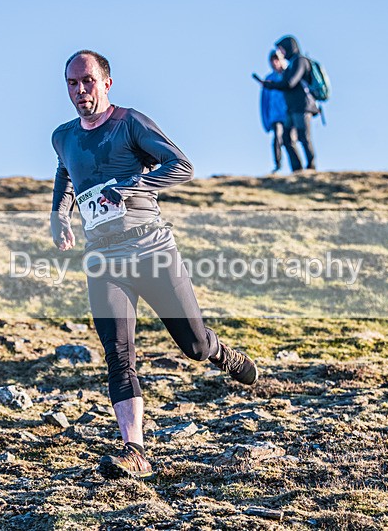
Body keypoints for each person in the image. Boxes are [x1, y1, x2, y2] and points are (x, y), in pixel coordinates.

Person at [50, 50, 259, 479]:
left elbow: (182, 166)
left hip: (150, 249)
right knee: (118, 355)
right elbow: (65, 172)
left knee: (194, 346)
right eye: (72, 83)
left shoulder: (130, 123)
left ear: (106, 83)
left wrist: (133, 184)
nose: (80, 90)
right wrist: (59, 214)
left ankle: (220, 352)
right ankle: (136, 451)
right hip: (103, 259)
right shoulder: (63, 136)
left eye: (88, 81)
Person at [263, 35, 319, 172]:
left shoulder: (300, 61)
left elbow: (290, 83)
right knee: (286, 138)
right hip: (292, 108)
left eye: (281, 49)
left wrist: (271, 85)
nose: (281, 53)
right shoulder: (291, 65)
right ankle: (297, 169)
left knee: (304, 137)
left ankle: (311, 167)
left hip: (303, 106)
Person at [253, 50, 295, 173]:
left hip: (289, 114)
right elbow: (264, 102)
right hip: (275, 116)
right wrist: (266, 120)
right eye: (272, 60)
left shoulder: (289, 75)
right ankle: (278, 165)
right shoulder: (269, 79)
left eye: (277, 59)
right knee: (277, 137)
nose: (274, 63)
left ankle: (296, 167)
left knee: (290, 140)